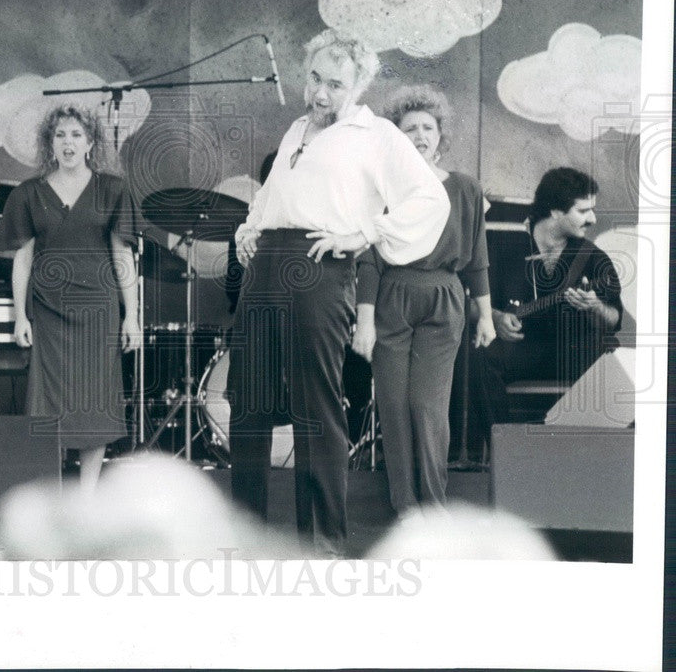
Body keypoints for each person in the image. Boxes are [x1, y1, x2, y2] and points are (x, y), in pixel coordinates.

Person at [229, 30, 450, 556]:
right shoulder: (296, 129)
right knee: (249, 405)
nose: (321, 93)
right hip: (266, 268)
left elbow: (430, 199)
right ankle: (242, 538)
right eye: (314, 79)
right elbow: (275, 196)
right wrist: (248, 228)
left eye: (335, 84)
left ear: (359, 85)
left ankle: (321, 544)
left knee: (317, 408)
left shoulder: (374, 135)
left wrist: (363, 234)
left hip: (319, 267)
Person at [350, 84, 496, 516]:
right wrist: (365, 320)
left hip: (443, 297)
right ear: (395, 137)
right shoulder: (381, 188)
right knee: (393, 407)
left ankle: (433, 509)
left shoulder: (466, 189)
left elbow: (478, 260)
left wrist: (485, 316)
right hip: (391, 295)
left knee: (427, 406)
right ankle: (405, 509)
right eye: (408, 127)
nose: (419, 134)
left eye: (427, 127)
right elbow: (369, 260)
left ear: (440, 133)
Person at [0, 105, 141, 493]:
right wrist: (20, 316)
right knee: (48, 405)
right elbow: (22, 259)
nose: (68, 142)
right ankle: (55, 495)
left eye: (76, 134)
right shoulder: (28, 193)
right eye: (60, 135)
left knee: (94, 403)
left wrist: (132, 318)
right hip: (47, 310)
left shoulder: (113, 188)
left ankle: (88, 498)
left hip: (98, 309)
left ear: (91, 142)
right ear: (50, 142)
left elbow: (122, 255)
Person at [471, 167, 623, 428]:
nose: (593, 219)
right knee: (481, 356)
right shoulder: (504, 247)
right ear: (555, 211)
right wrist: (495, 317)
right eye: (583, 211)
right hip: (524, 350)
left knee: (610, 358)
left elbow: (614, 319)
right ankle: (504, 447)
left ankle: (588, 449)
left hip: (574, 352)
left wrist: (596, 307)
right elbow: (474, 305)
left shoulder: (593, 256)